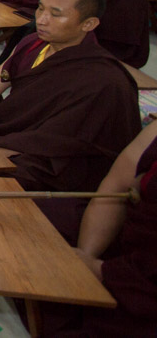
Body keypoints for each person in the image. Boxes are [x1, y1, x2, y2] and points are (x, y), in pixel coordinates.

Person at [0, 0, 140, 192]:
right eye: (40, 8)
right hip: (7, 127)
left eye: (56, 14)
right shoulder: (33, 42)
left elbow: (65, 141)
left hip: (49, 157)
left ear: (88, 24)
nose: (41, 20)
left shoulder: (104, 81)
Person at [38, 123, 157, 336]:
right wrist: (86, 258)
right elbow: (117, 186)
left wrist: (103, 271)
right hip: (128, 247)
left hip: (145, 287)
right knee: (29, 222)